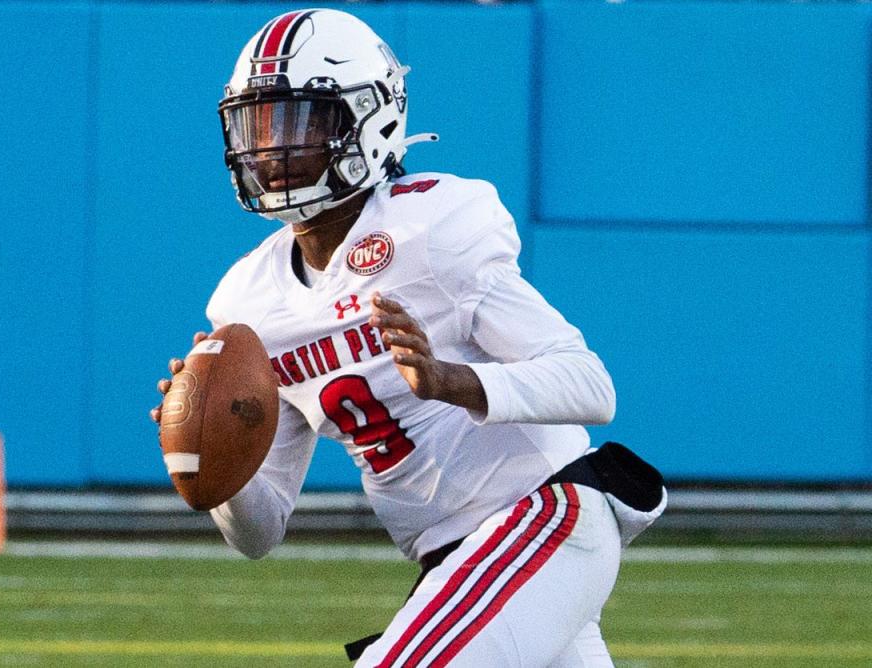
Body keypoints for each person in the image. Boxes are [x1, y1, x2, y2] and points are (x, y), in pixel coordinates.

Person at [151, 8, 665, 667]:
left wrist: (455, 381)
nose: (274, 149)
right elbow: (259, 532)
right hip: (453, 562)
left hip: (542, 516)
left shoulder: (433, 226)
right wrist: (211, 452)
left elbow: (591, 385)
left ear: (371, 119)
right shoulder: (248, 302)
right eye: (261, 124)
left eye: (301, 121)